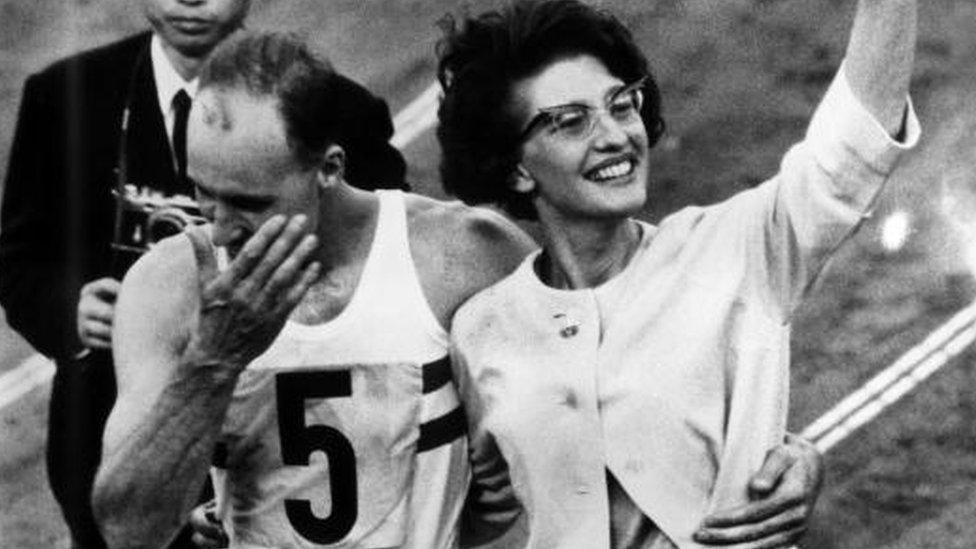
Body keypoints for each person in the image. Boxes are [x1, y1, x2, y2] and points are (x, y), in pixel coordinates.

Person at [92, 30, 824, 549]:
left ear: (328, 167)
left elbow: (631, 343)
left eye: (248, 204)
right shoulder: (168, 288)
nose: (217, 230)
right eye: (202, 194)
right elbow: (126, 527)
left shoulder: (459, 256)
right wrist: (213, 362)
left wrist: (781, 452)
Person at [437, 0, 918, 547]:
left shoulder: (738, 248)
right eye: (571, 122)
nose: (615, 135)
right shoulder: (480, 332)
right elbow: (479, 512)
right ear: (517, 168)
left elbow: (855, 147)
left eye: (622, 105)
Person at [0, 1, 407, 547]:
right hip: (111, 430)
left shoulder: (342, 110)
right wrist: (67, 308)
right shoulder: (65, 95)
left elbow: (383, 261)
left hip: (289, 446)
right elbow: (16, 256)